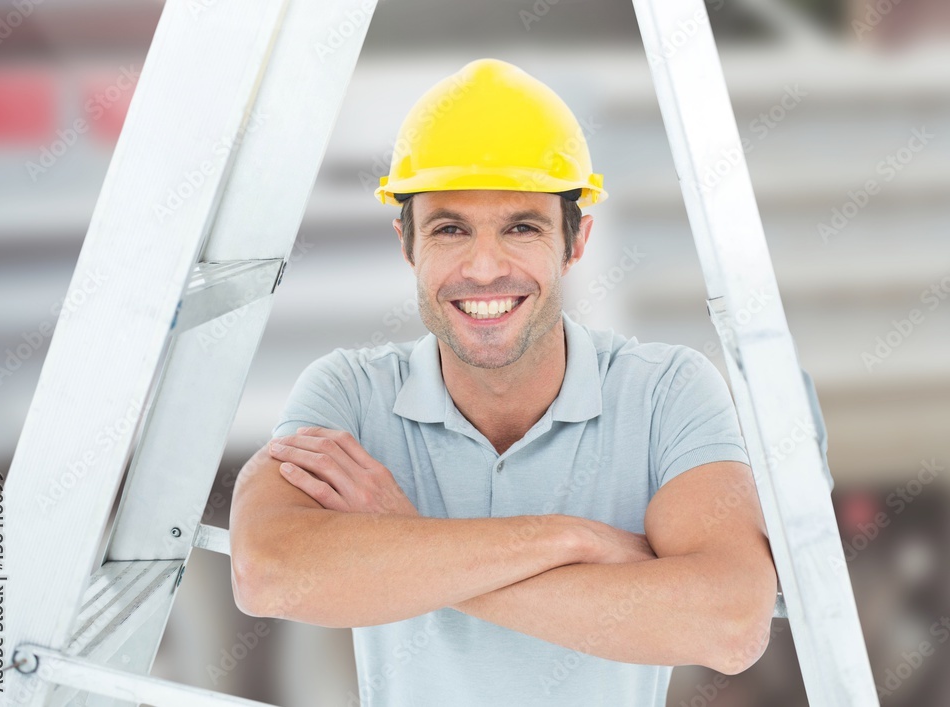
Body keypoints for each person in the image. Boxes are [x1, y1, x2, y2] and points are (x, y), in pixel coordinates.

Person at [229, 57, 777, 707]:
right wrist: (570, 538)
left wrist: (409, 543)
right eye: (450, 229)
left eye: (521, 227)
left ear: (576, 241)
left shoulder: (666, 392)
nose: (484, 267)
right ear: (406, 241)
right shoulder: (351, 393)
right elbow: (267, 572)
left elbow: (732, 623)